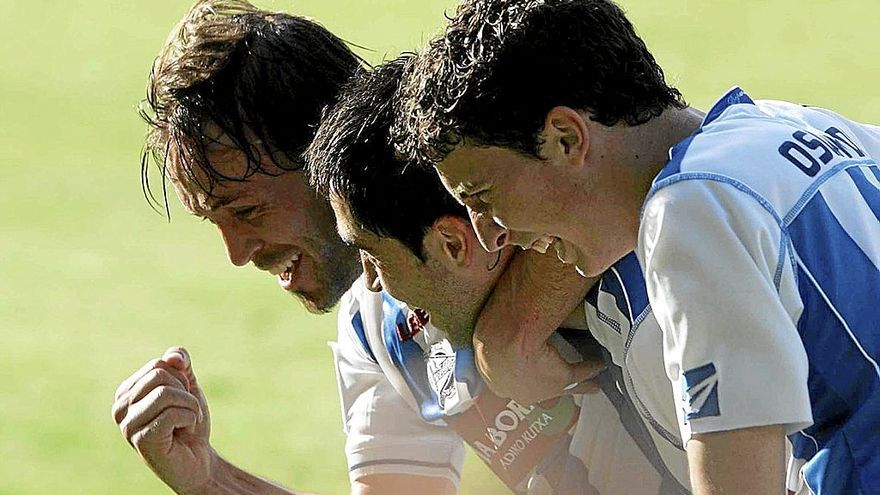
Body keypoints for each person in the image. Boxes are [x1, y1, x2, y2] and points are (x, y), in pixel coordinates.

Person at [113, 1, 623, 493]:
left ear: (324, 152)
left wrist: (511, 331)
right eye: (213, 221)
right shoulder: (377, 321)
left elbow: (637, 182)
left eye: (247, 212)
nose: (237, 253)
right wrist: (209, 479)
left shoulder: (519, 178)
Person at [395, 0, 880, 493]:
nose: (490, 233)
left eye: (483, 196)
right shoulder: (806, 124)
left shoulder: (690, 210)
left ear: (565, 138)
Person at [306, 55, 691, 494]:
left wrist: (510, 335)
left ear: (453, 245)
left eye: (373, 256)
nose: (371, 284)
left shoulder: (652, 309)